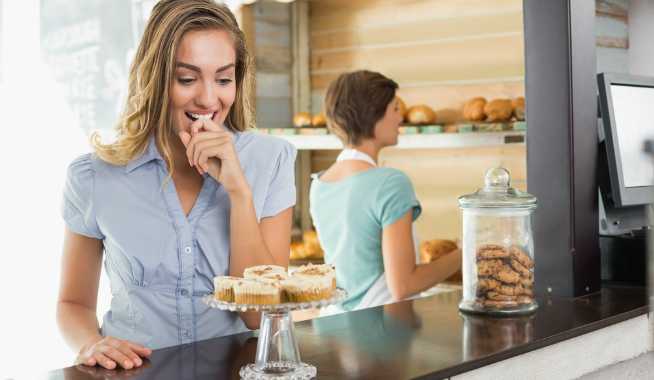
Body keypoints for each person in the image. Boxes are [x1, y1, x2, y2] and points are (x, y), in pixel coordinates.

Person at [57, 0, 296, 370]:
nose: (207, 98)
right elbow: (73, 303)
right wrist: (91, 344)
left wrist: (239, 193)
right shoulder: (94, 176)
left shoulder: (270, 160)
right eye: (186, 78)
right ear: (155, 78)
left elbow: (261, 316)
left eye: (223, 78)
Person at [309, 70, 461, 312]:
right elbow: (403, 284)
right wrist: (467, 253)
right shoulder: (390, 183)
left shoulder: (319, 184)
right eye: (395, 109)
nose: (401, 118)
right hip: (379, 330)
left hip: (334, 324)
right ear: (374, 115)